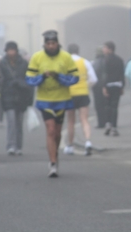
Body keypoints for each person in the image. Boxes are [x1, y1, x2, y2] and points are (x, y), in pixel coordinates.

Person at [26, 30, 79, 178]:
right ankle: (53, 164)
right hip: (45, 101)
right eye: (48, 43)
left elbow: (75, 78)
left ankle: (54, 154)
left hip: (62, 100)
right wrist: (42, 77)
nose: (50, 46)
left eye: (53, 43)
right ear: (44, 44)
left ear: (57, 44)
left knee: (57, 132)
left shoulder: (66, 57)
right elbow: (29, 79)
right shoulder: (37, 57)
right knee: (50, 130)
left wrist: (59, 76)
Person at [0, 41, 34, 155]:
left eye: (13, 50)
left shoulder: (23, 63)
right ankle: (11, 145)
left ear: (16, 51)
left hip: (21, 96)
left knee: (19, 123)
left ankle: (19, 146)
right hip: (8, 96)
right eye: (9, 50)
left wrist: (29, 99)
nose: (11, 52)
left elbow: (29, 80)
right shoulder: (2, 63)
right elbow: (0, 80)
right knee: (11, 122)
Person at [64, 44, 98, 156]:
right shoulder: (85, 62)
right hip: (83, 93)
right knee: (84, 119)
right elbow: (93, 79)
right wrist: (86, 85)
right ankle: (88, 142)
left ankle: (70, 146)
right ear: (78, 51)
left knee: (71, 121)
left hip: (70, 94)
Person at [102, 41, 125, 136]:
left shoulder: (105, 60)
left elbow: (104, 75)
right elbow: (122, 74)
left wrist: (104, 86)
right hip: (117, 85)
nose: (103, 49)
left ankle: (108, 124)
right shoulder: (120, 60)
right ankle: (114, 128)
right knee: (115, 107)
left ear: (110, 49)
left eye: (105, 48)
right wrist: (122, 86)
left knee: (107, 106)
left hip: (108, 85)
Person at [92, 46, 107, 128]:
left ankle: (101, 123)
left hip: (97, 87)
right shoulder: (106, 61)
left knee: (98, 106)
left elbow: (92, 75)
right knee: (106, 105)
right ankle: (108, 122)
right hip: (105, 86)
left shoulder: (95, 63)